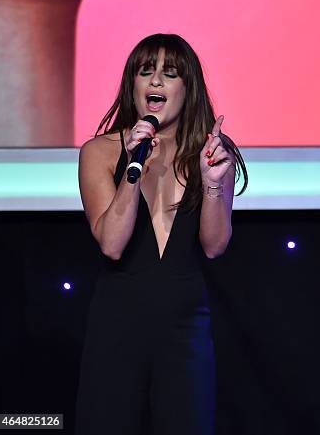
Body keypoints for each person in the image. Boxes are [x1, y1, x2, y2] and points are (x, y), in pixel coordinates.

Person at [76, 33, 247, 435]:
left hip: (184, 327)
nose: (155, 82)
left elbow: (215, 245)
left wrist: (213, 183)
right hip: (116, 325)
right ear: (131, 84)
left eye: (169, 75)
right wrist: (133, 171)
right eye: (145, 72)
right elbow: (113, 244)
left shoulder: (209, 152)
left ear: (187, 89)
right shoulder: (99, 152)